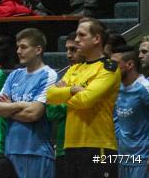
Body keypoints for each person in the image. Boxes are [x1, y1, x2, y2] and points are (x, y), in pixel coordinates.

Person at [48, 18, 123, 177]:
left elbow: (86, 100)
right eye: (76, 35)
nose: (76, 40)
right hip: (70, 145)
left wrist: (64, 92)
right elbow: (50, 95)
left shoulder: (108, 68)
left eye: (81, 35)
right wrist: (74, 90)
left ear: (96, 39)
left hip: (99, 147)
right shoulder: (74, 68)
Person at [0, 27, 58, 178]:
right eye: (17, 47)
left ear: (38, 50)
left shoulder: (49, 75)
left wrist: (8, 109)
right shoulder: (14, 75)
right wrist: (21, 105)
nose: (18, 51)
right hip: (11, 151)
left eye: (23, 47)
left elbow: (34, 114)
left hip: (37, 152)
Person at [110, 46, 149, 178]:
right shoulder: (117, 89)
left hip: (143, 161)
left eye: (115, 64)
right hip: (123, 161)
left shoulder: (145, 88)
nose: (110, 69)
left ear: (129, 64)